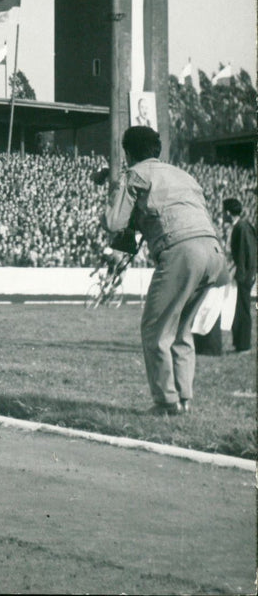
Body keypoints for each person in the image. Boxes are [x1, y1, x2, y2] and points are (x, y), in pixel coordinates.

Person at [102, 126, 229, 416]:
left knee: (155, 329)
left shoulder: (135, 174)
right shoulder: (183, 174)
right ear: (156, 150)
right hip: (212, 250)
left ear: (129, 153)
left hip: (182, 251)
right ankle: (183, 399)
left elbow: (112, 222)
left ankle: (166, 402)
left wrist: (113, 189)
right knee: (181, 329)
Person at [223, 197, 257, 352]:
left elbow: (245, 253)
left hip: (244, 275)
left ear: (229, 213)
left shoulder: (241, 228)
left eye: (224, 212)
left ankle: (243, 344)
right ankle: (240, 343)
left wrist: (242, 275)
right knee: (240, 308)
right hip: (244, 273)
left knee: (242, 308)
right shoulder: (241, 226)